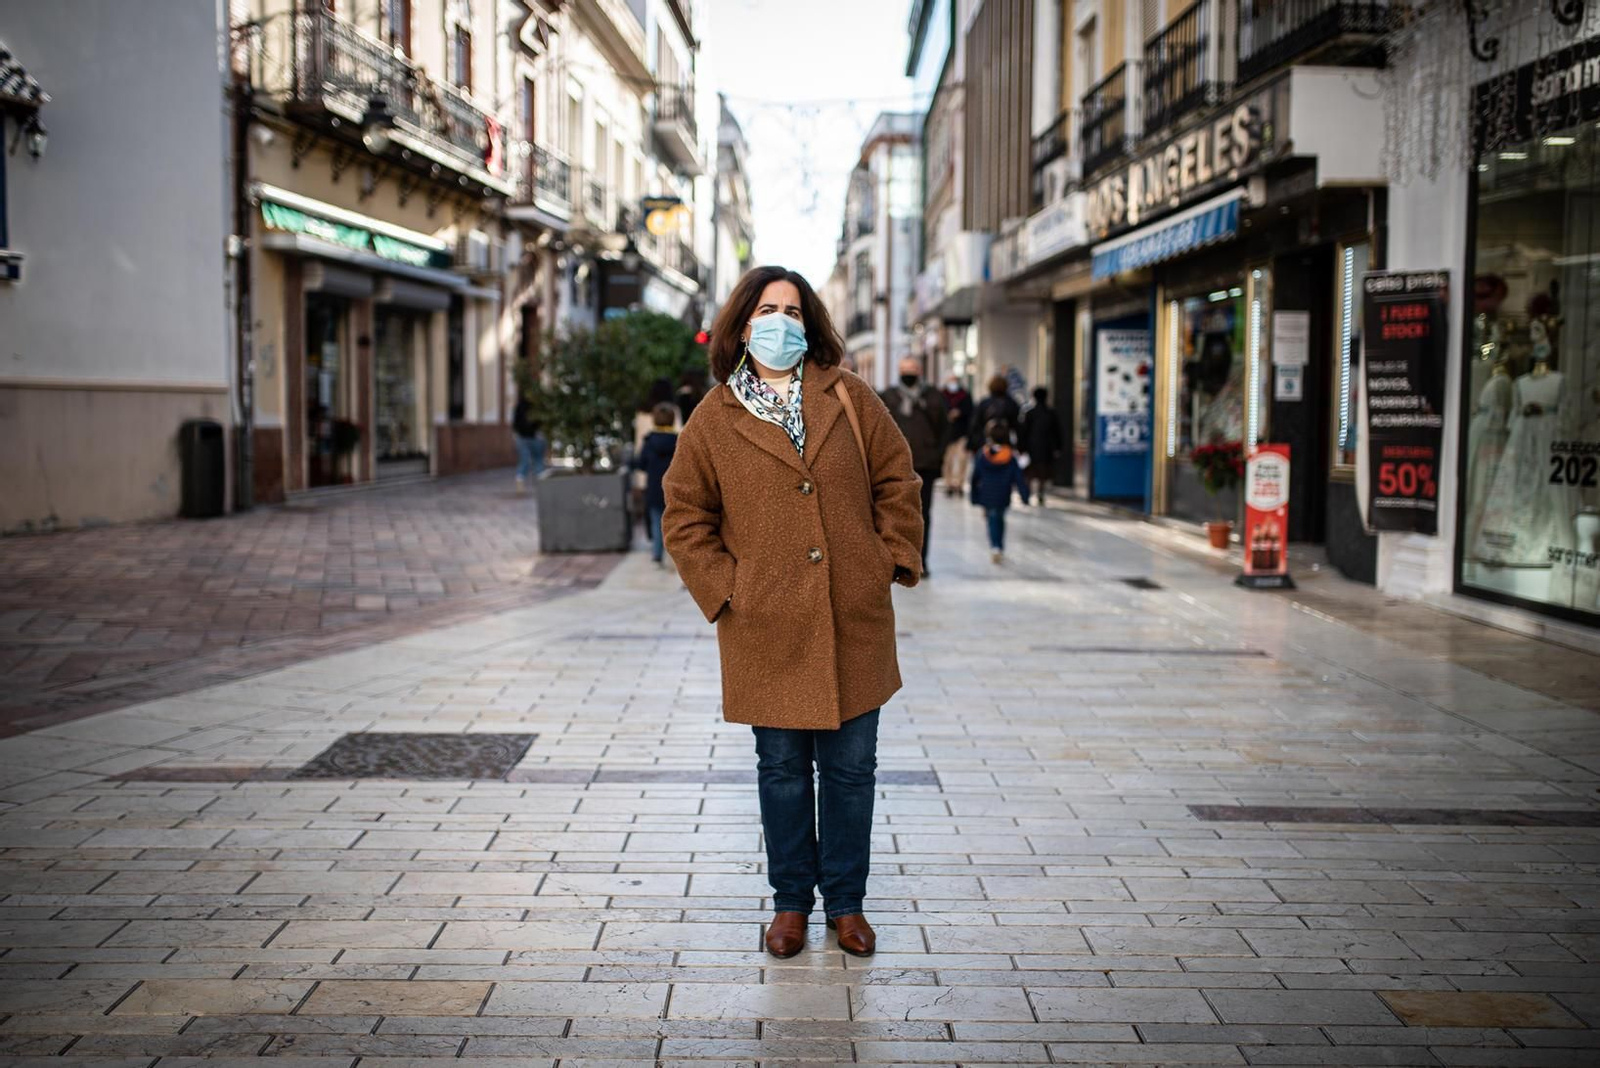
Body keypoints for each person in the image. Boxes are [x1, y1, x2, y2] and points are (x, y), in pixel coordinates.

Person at [662, 265, 924, 961]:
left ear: (809, 324)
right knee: (780, 769)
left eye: (793, 309)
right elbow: (685, 516)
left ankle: (847, 904)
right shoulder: (713, 418)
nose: (780, 320)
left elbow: (899, 476)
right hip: (765, 624)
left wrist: (888, 558)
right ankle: (789, 904)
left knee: (850, 770)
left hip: (852, 619)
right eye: (766, 309)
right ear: (742, 325)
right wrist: (727, 591)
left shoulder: (850, 397)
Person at [879, 357, 947, 577]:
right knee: (894, 512)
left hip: (925, 464)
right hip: (895, 467)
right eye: (905, 370)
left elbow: (945, 429)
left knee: (923, 513)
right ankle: (897, 559)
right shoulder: (887, 396)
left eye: (913, 369)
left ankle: (920, 561)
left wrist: (937, 454)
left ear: (920, 371)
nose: (909, 373)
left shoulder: (934, 397)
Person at [971, 419, 1030, 565]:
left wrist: (974, 496)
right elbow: (1019, 478)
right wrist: (1025, 496)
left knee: (991, 520)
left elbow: (974, 477)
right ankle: (999, 546)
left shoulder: (983, 454)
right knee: (1000, 519)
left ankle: (995, 546)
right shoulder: (1010, 457)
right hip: (1003, 495)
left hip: (987, 494)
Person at [631, 402, 679, 565]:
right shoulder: (679, 440)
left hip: (653, 487)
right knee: (676, 521)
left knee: (656, 520)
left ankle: (657, 553)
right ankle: (675, 554)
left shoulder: (649, 441)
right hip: (674, 488)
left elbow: (641, 464)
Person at [1020, 386, 1062, 504]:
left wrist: (1021, 447)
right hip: (1046, 447)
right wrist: (1058, 447)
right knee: (1042, 472)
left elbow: (1023, 432)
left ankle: (1027, 494)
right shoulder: (1051, 413)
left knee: (1030, 472)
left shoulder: (1029, 413)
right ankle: (1040, 493)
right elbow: (1057, 432)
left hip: (1031, 447)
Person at [967, 374, 1021, 453]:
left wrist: (976, 444)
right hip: (1006, 445)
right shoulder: (1011, 404)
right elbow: (1017, 426)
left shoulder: (984, 403)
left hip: (985, 444)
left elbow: (974, 425)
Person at [941, 375, 973, 499]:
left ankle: (959, 483)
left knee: (962, 459)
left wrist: (960, 412)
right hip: (946, 434)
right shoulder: (942, 395)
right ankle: (948, 483)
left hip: (962, 433)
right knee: (947, 460)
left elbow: (971, 413)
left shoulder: (965, 395)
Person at [511, 393, 546, 493]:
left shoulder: (519, 406)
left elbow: (515, 423)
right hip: (534, 437)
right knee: (538, 460)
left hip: (523, 437)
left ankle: (520, 479)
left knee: (525, 460)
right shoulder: (538, 405)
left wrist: (516, 434)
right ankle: (540, 482)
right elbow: (543, 421)